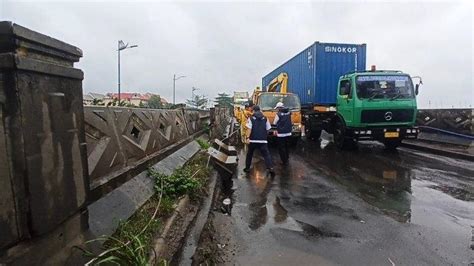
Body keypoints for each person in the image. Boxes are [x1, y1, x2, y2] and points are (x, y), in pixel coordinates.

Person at [244, 105, 275, 175]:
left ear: (253, 111)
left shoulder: (251, 118)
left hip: (253, 140)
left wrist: (247, 138)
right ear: (260, 110)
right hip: (263, 141)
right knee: (266, 155)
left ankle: (247, 168)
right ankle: (271, 168)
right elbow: (268, 129)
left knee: (249, 154)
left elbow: (249, 129)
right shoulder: (265, 118)